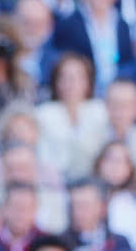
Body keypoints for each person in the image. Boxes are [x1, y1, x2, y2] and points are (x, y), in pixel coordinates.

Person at [50, 0, 136, 94]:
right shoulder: (66, 25)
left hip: (117, 96)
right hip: (83, 98)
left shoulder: (122, 24)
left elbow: (127, 62)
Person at [35, 52, 110, 182]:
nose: (71, 83)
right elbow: (42, 156)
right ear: (56, 82)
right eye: (64, 77)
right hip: (53, 183)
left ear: (88, 81)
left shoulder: (101, 110)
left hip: (96, 183)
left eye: (77, 77)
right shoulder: (42, 114)